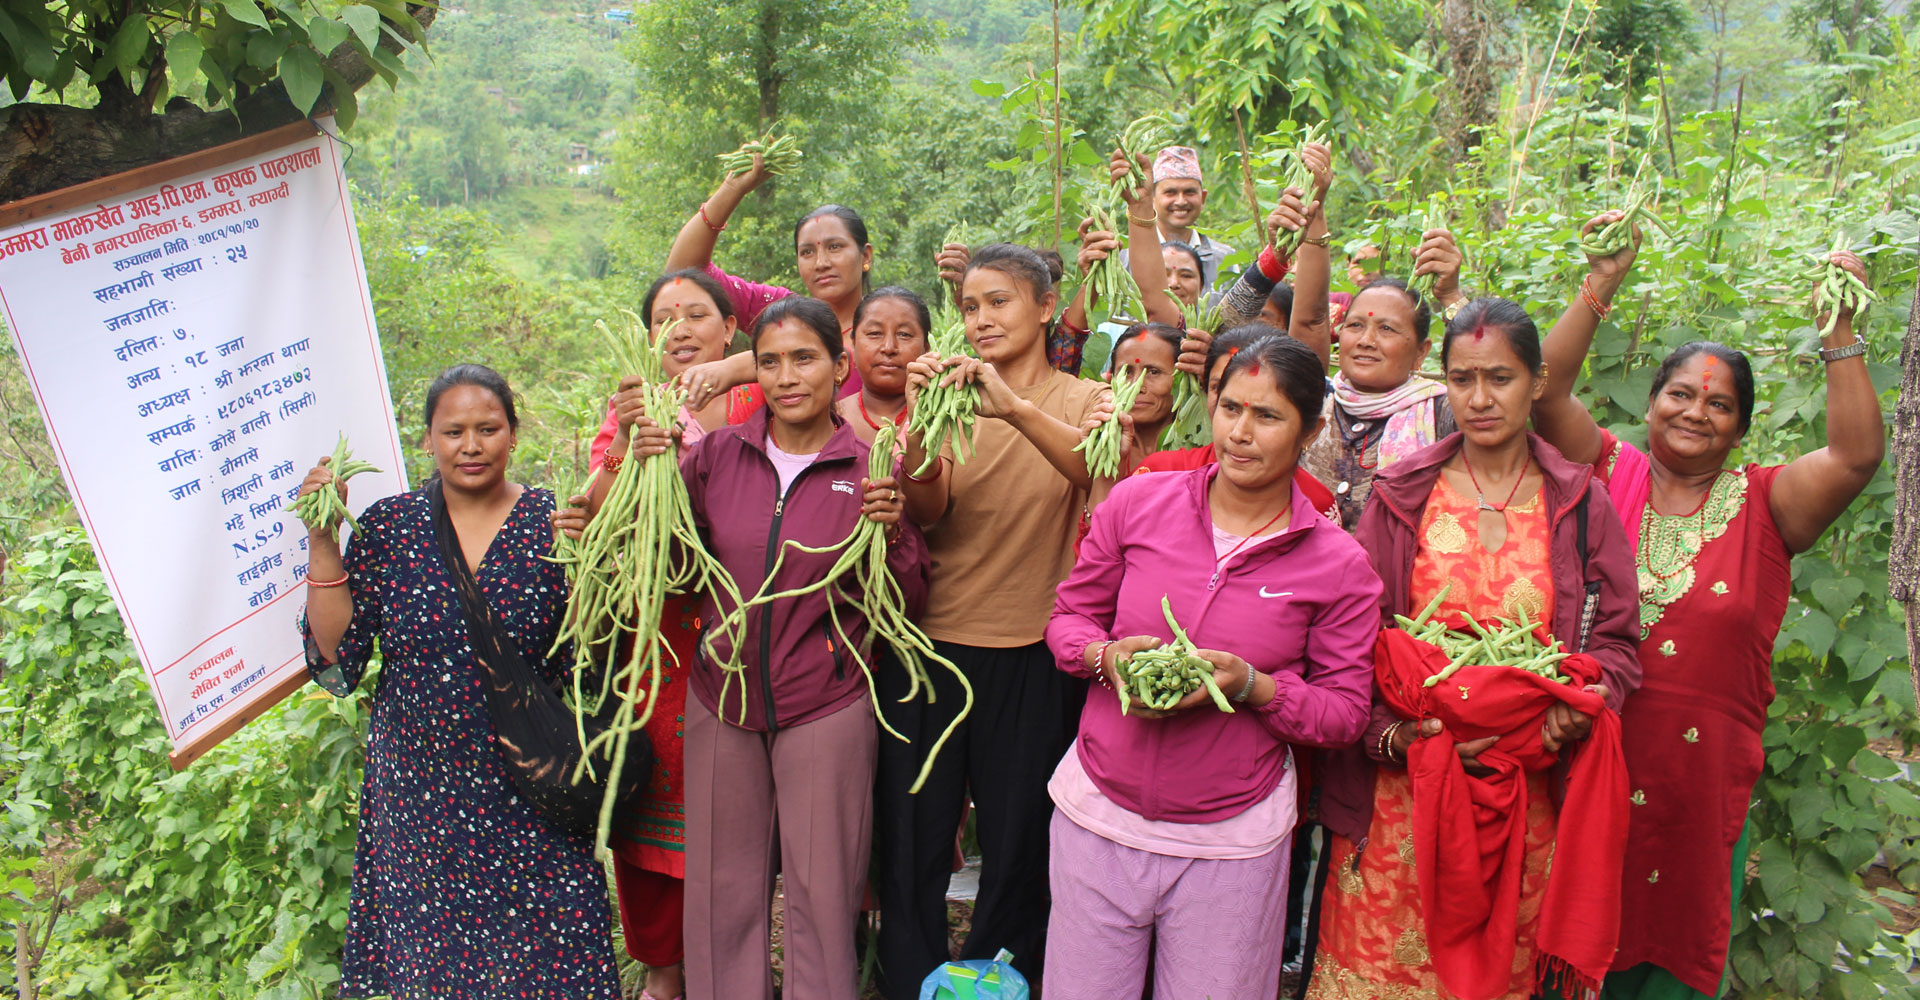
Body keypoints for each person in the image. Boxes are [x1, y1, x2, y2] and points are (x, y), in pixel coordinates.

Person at [1530, 216, 1885, 1000]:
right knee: (1568, 949)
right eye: (1681, 394)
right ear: (1653, 402)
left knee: (1672, 957)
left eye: (1719, 404)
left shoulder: (1768, 506)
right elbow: (1544, 390)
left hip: (1697, 786)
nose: (1695, 412)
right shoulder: (1605, 473)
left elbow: (1856, 456)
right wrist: (1602, 282)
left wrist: (1840, 331)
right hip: (1585, 766)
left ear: (1742, 427)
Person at [1306, 299, 1642, 1000]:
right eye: (1462, 379)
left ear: (1537, 381)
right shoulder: (1402, 496)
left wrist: (1576, 707)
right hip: (1401, 797)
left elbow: (1615, 642)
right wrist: (1395, 737)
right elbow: (1353, 640)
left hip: (1522, 795)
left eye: (1501, 378)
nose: (1480, 399)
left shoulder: (1580, 503)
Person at [1043, 334, 1382, 998]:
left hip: (1232, 841)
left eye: (1268, 416)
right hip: (1099, 816)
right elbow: (1068, 619)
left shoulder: (1338, 564)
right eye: (1230, 408)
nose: (1241, 433)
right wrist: (1105, 657)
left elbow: (1343, 714)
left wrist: (1254, 686)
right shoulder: (1138, 504)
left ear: (1311, 430)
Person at [614, 295, 928, 1000]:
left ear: (839, 367)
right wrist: (645, 475)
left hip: (826, 703)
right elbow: (675, 569)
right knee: (721, 892)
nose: (787, 377)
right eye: (771, 361)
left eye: (805, 358)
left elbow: (906, 602)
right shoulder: (716, 456)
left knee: (823, 891)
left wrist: (896, 534)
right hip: (721, 699)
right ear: (754, 370)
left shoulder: (869, 464)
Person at [298, 365, 620, 999]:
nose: (471, 446)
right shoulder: (390, 529)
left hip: (532, 788)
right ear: (427, 440)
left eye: (488, 429)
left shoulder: (553, 521)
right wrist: (322, 540)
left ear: (513, 435)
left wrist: (591, 564)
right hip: (421, 800)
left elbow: (590, 655)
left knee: (550, 963)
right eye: (453, 432)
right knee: (438, 970)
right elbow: (338, 658)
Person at [876, 243, 1113, 996]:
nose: (981, 319)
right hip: (933, 645)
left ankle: (994, 978)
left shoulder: (1086, 398)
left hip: (1034, 646)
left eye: (999, 302)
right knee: (915, 828)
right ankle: (911, 975)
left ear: (1046, 307)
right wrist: (920, 427)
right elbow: (929, 508)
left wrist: (1011, 407)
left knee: (1017, 837)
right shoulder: (948, 397)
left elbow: (1097, 472)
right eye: (970, 307)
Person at [561, 269, 767, 1000]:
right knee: (650, 792)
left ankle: (729, 971)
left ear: (729, 329)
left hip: (742, 631)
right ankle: (663, 973)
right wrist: (625, 449)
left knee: (736, 809)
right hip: (652, 637)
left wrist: (727, 385)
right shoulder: (629, 409)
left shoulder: (761, 397)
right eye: (662, 318)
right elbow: (597, 514)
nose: (678, 328)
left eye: (697, 313)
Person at [665, 150, 875, 401]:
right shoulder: (779, 311)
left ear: (865, 256)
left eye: (835, 247)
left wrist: (736, 367)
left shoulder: (887, 323)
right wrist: (733, 189)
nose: (821, 263)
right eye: (807, 252)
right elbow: (685, 274)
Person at [1302, 270, 1464, 531]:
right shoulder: (1313, 398)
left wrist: (1451, 297)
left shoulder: (1443, 412)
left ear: (1421, 352)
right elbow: (1307, 320)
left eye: (1386, 329)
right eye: (1355, 325)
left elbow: (1490, 378)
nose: (1366, 341)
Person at [836, 286, 932, 443]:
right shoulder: (830, 420)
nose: (889, 348)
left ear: (926, 348)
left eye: (904, 334)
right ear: (853, 343)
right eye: (874, 333)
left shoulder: (946, 417)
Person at [1147, 145, 1235, 288]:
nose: (1181, 201)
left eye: (1189, 192)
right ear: (1152, 198)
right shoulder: (1127, 257)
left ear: (1203, 198)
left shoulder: (1225, 259)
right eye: (1170, 192)